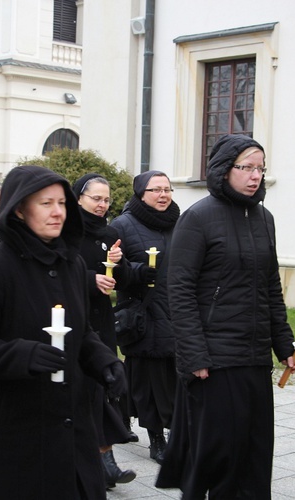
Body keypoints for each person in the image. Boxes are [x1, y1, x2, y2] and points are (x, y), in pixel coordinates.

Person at [0, 165, 127, 499]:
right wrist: (23, 354)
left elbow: (80, 331)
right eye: (46, 203)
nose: (58, 212)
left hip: (67, 425)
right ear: (19, 208)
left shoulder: (71, 264)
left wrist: (105, 362)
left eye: (62, 203)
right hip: (10, 430)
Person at [155, 134, 295, 499]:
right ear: (224, 169)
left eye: (260, 168)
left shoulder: (264, 218)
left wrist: (284, 343)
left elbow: (270, 287)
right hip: (214, 361)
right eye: (246, 167)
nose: (255, 176)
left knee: (253, 453)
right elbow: (180, 291)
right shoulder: (198, 218)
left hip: (253, 358)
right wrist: (194, 356)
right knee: (217, 457)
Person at [110, 170, 180, 464]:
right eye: (156, 190)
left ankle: (122, 411)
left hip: (177, 311)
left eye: (167, 189)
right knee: (149, 377)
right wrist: (133, 271)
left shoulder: (182, 222)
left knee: (173, 375)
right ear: (141, 193)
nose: (163, 195)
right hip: (143, 313)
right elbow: (112, 269)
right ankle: (157, 440)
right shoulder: (122, 226)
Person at [73, 173, 135, 489]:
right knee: (83, 391)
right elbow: (54, 270)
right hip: (72, 323)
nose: (102, 204)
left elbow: (121, 282)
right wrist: (89, 279)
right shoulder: (67, 230)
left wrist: (117, 262)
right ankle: (100, 462)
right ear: (79, 197)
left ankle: (104, 462)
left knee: (102, 387)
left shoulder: (110, 233)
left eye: (107, 199)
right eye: (95, 198)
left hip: (101, 322)